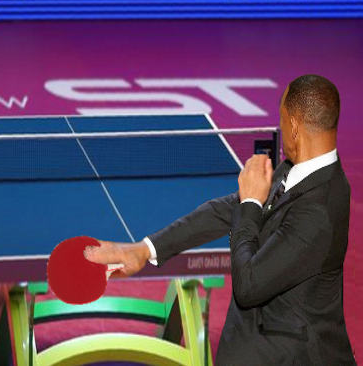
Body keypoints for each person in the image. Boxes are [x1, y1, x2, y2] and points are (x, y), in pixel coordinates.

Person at [84, 75, 355, 365]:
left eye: (281, 118)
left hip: (288, 357)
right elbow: (226, 210)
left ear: (293, 125)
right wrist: (144, 249)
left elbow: (249, 285)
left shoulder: (319, 210)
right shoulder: (294, 168)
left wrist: (251, 203)